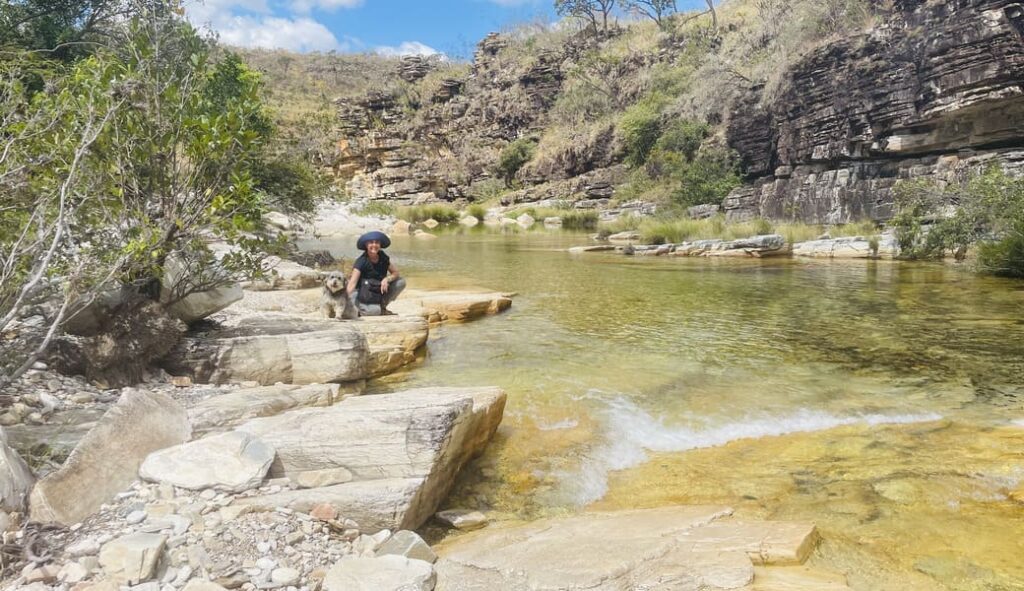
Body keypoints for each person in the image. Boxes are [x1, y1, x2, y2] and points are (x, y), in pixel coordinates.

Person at [347, 230, 406, 316]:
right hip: (362, 294)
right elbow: (352, 283)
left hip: (377, 290)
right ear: (366, 245)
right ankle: (357, 309)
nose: (374, 245)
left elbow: (396, 273)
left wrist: (387, 279)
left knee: (401, 282)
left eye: (377, 242)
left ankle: (382, 306)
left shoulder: (383, 257)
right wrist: (343, 299)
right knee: (375, 311)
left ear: (380, 245)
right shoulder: (361, 261)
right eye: (371, 242)